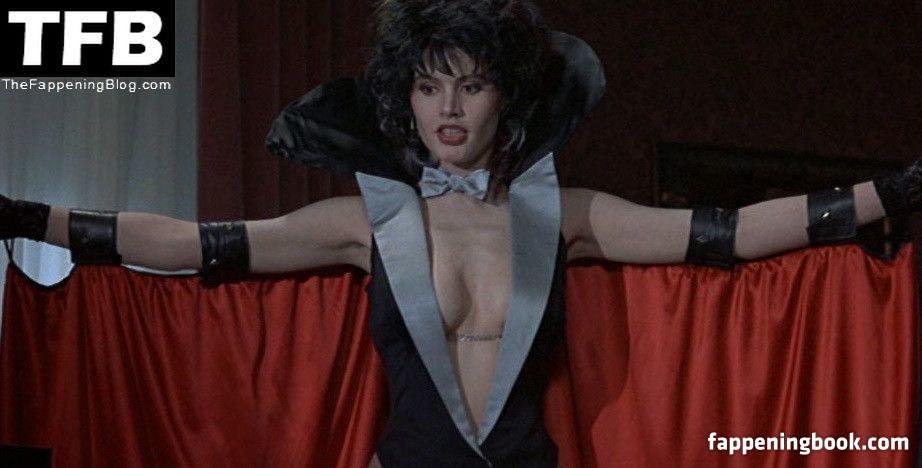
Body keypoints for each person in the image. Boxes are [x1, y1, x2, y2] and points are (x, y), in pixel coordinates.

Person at [0, 0, 919, 466]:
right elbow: (195, 243)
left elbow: (727, 233)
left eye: (471, 85)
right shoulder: (368, 222)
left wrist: (891, 192)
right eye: (429, 84)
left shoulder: (565, 217)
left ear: (503, 99)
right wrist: (30, 218)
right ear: (404, 96)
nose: (448, 107)